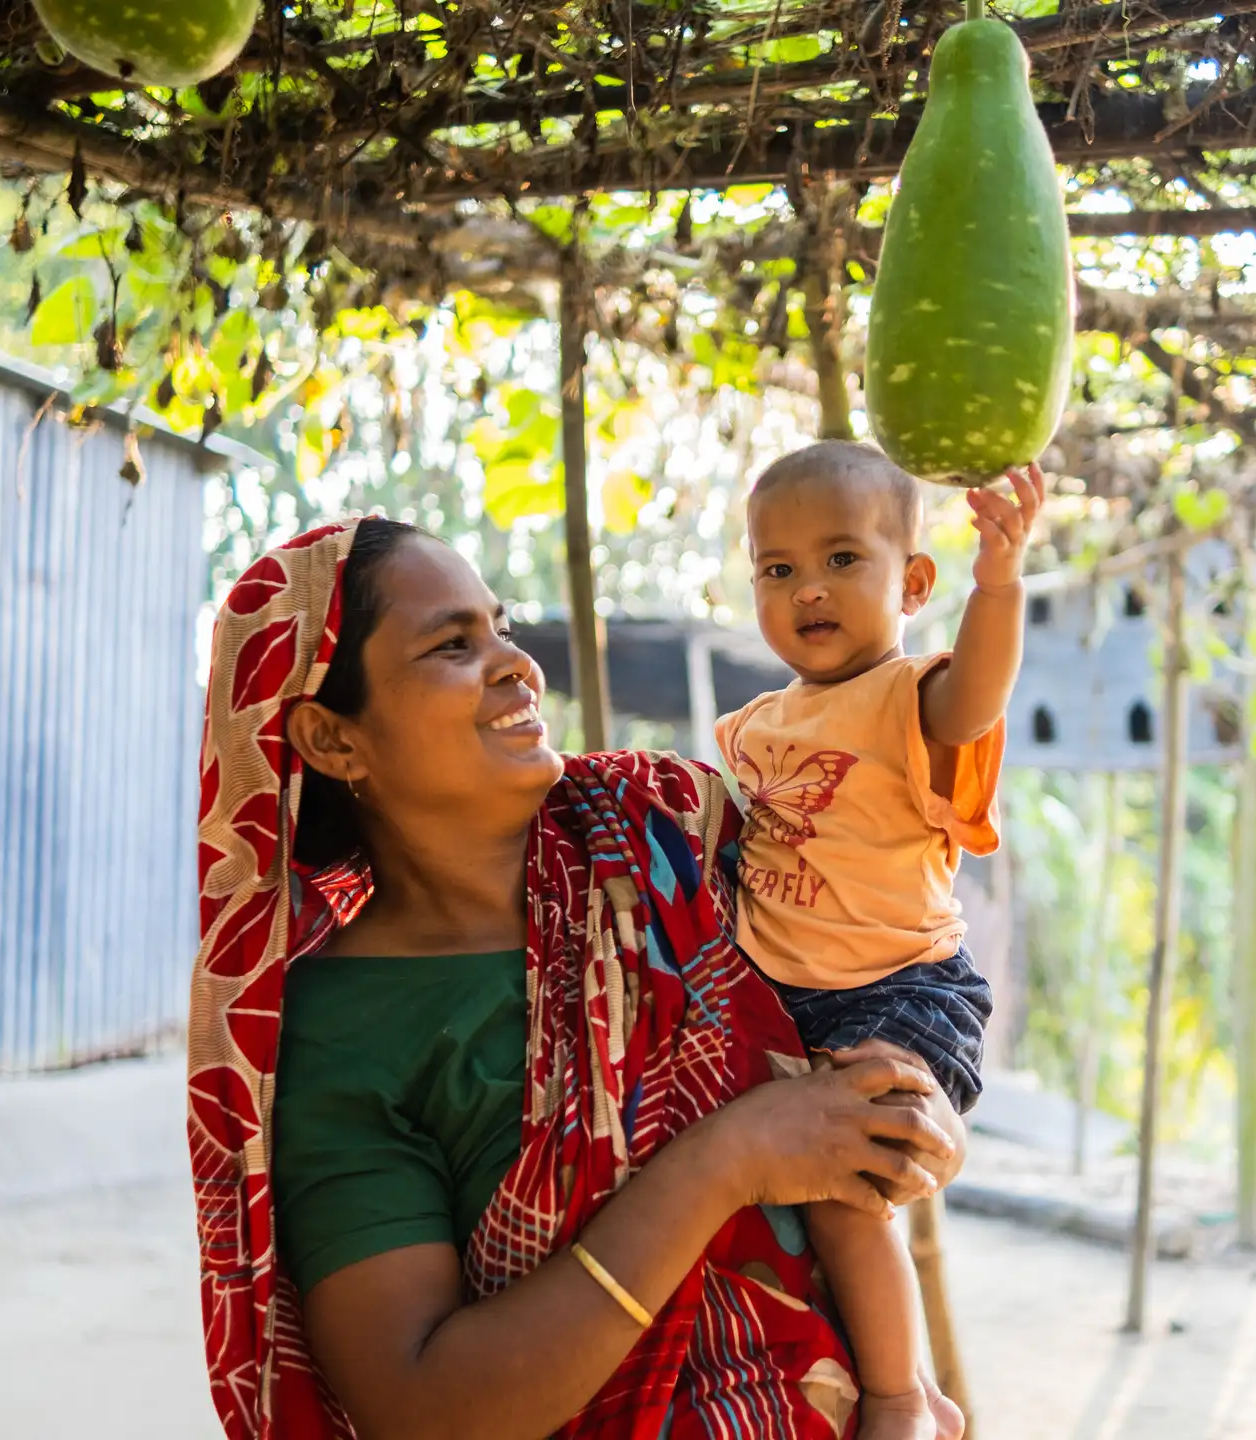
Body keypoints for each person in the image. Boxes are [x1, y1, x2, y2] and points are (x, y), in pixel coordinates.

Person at [187, 516, 971, 1440]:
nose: (517, 665)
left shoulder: (667, 829)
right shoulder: (334, 1031)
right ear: (332, 739)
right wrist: (730, 1162)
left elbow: (872, 968)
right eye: (452, 644)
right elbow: (418, 1403)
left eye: (503, 628)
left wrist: (917, 1112)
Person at [716, 442, 1042, 1440]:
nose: (807, 587)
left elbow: (976, 698)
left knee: (849, 1192)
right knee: (783, 1203)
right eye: (779, 570)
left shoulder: (910, 699)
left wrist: (999, 580)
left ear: (912, 583)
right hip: (779, 1002)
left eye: (842, 560)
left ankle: (905, 1400)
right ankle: (844, 1372)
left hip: (901, 992)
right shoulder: (753, 727)